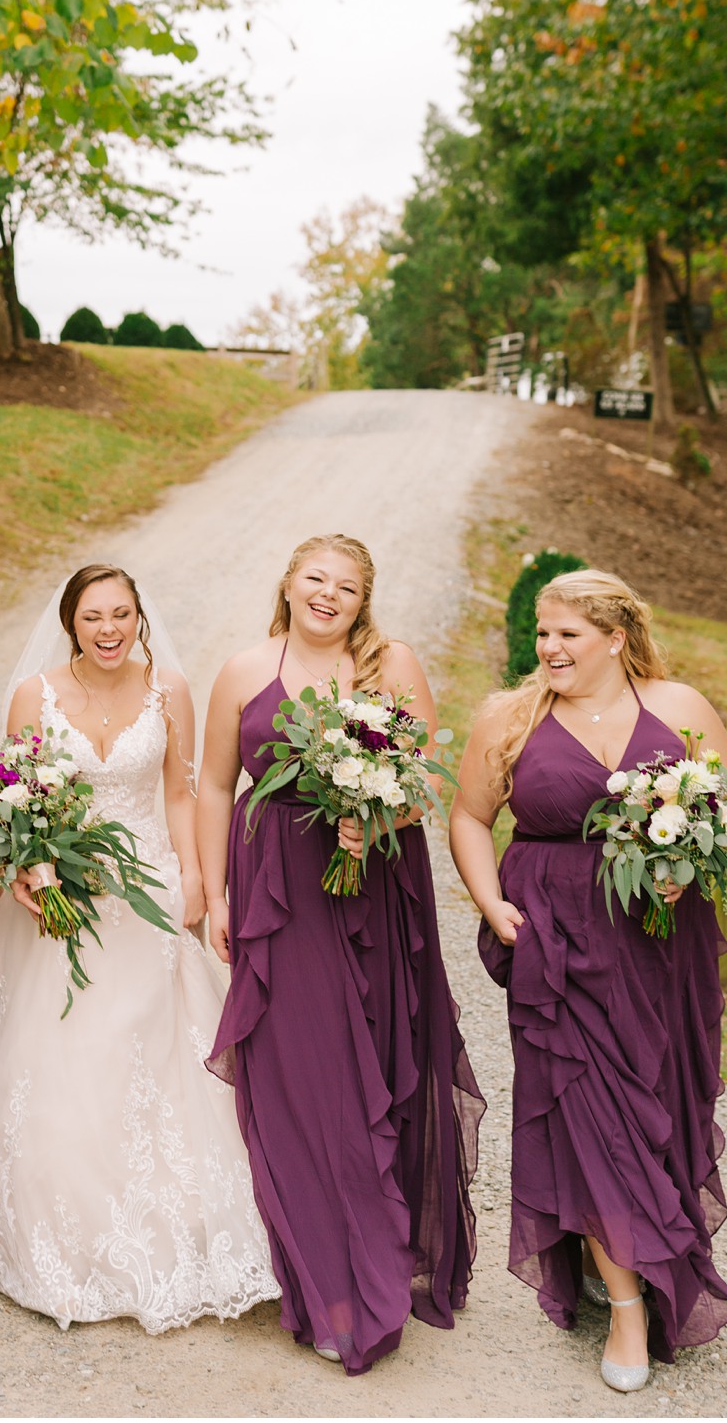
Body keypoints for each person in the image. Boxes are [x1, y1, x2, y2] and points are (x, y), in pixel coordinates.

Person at [0, 563, 278, 1332]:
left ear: (140, 618)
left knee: (149, 1048)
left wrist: (196, 876)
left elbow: (181, 789)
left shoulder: (171, 688)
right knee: (62, 1047)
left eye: (122, 614)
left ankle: (173, 1222)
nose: (109, 630)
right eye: (93, 616)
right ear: (72, 622)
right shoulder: (35, 693)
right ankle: (58, 1220)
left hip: (148, 890)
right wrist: (30, 864)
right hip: (62, 895)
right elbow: (15, 793)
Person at [449, 567, 727, 1392]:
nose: (547, 649)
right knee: (585, 1112)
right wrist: (492, 902)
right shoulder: (509, 718)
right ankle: (625, 1306)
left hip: (662, 945)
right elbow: (472, 816)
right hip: (557, 942)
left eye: (566, 635)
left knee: (664, 1105)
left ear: (615, 638)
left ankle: (633, 1243)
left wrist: (695, 869)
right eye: (541, 635)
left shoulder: (680, 710)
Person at [198, 533, 483, 1374]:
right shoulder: (243, 669)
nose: (328, 596)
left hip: (375, 888)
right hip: (277, 892)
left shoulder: (388, 663)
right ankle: (333, 1284)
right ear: (287, 582)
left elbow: (429, 778)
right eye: (315, 579)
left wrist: (381, 818)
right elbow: (215, 784)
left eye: (347, 588)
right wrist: (215, 896)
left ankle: (381, 1256)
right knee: (301, 1079)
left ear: (365, 602)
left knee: (380, 1069)